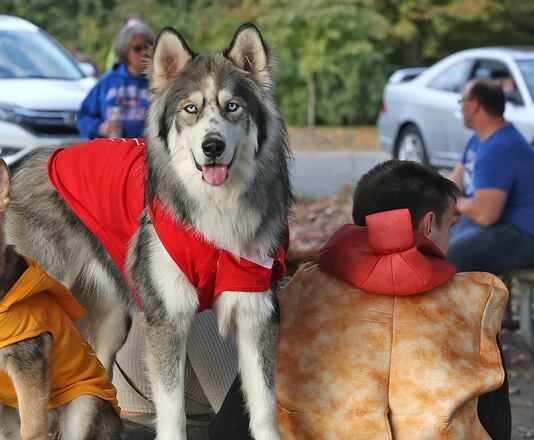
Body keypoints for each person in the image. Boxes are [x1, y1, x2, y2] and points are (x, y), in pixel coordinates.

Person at [211, 160, 511, 439]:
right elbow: (498, 430)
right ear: (429, 225)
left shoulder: (301, 292)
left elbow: (230, 426)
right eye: (449, 227)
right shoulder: (476, 302)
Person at [447, 79, 534, 274]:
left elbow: (484, 215)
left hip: (525, 234)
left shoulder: (500, 147)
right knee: (433, 242)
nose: (460, 109)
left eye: (462, 102)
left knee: (451, 253)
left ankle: (475, 305)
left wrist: (456, 202)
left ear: (475, 105)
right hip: (502, 225)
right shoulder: (479, 140)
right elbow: (452, 184)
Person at [77, 22, 154, 140]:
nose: (144, 53)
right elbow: (83, 116)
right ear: (125, 51)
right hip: (112, 151)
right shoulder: (107, 82)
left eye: (148, 47)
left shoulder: (158, 82)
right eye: (137, 48)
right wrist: (100, 128)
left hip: (145, 153)